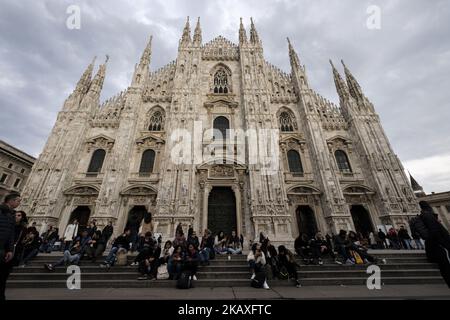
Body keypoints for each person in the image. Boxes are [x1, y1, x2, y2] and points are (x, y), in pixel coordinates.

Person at [419, 201, 450, 287]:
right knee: (446, 266)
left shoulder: (425, 216)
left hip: (437, 244)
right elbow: (435, 231)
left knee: (445, 268)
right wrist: (443, 243)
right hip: (440, 245)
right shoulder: (428, 216)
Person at [0, 192, 21, 301]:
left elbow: (11, 234)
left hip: (4, 250)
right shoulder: (4, 212)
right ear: (11, 201)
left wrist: (10, 250)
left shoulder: (11, 214)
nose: (19, 203)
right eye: (18, 201)